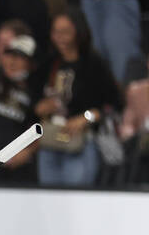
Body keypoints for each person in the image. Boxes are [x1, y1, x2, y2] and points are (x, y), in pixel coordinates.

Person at [35, 9, 123, 187]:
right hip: (50, 141)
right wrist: (39, 107)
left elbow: (113, 104)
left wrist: (86, 118)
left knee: (75, 197)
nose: (60, 37)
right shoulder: (48, 63)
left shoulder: (93, 64)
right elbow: (32, 99)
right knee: (47, 199)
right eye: (55, 32)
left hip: (81, 143)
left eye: (65, 31)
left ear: (78, 32)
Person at [0, 33, 41, 185]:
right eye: (10, 55)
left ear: (31, 63)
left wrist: (28, 152)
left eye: (20, 57)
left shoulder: (36, 92)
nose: (12, 61)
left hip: (16, 167)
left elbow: (41, 128)